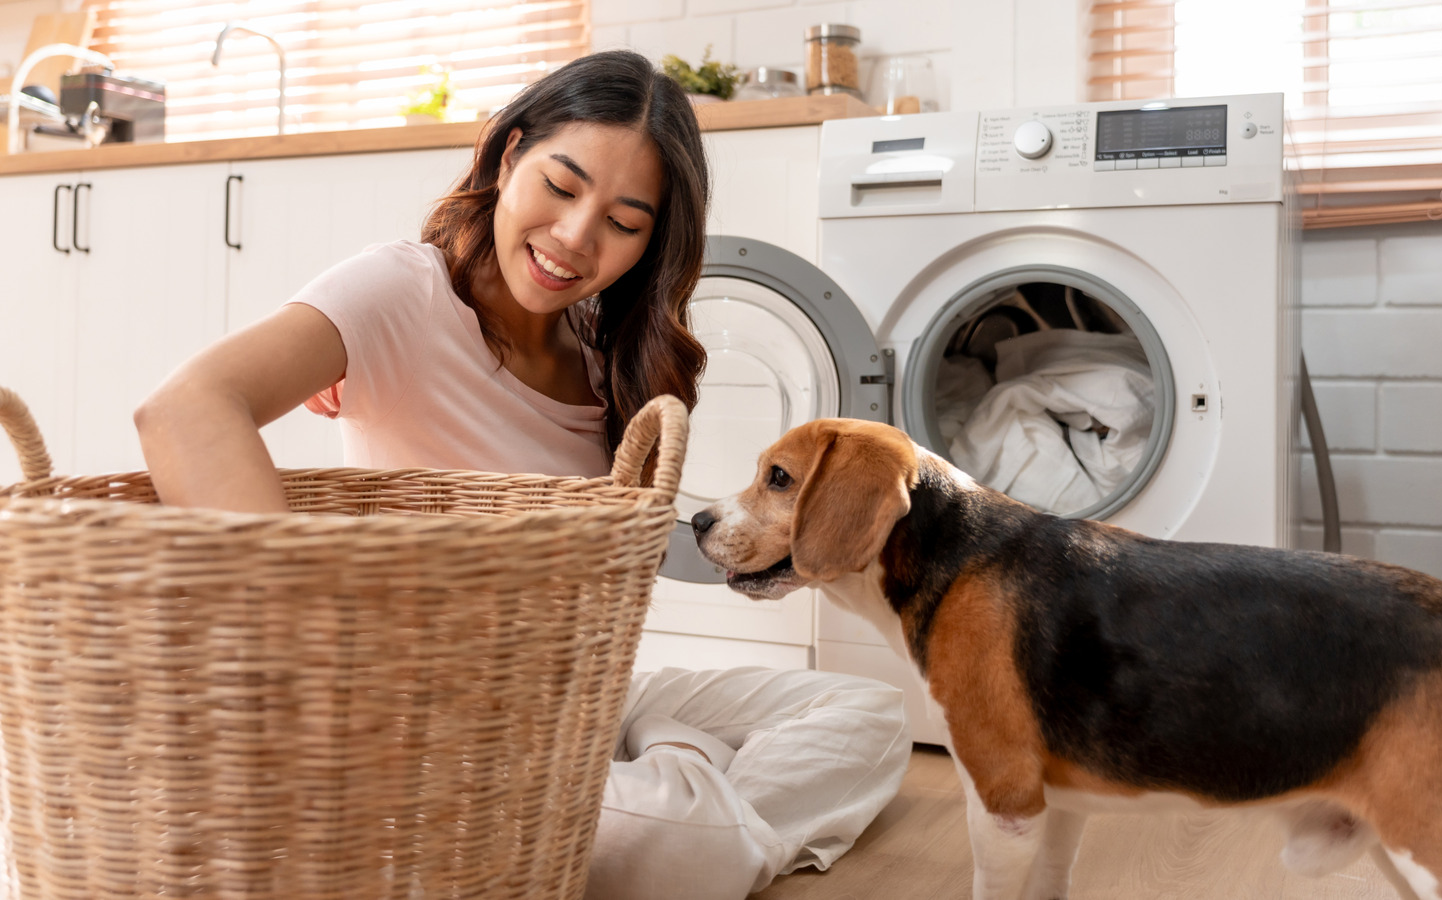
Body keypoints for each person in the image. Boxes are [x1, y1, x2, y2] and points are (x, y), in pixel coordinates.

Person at [135, 49, 911, 899]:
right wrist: (305, 639)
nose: (575, 237)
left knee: (872, 715)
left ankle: (653, 798)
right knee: (693, 838)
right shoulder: (404, 290)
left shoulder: (607, 355)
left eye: (624, 222)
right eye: (561, 185)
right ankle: (675, 799)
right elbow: (183, 408)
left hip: (576, 704)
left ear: (652, 243)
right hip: (427, 730)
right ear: (510, 157)